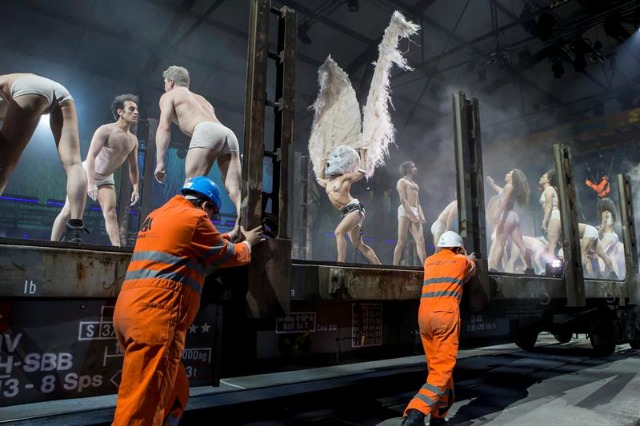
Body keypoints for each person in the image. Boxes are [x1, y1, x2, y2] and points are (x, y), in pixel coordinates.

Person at [111, 176, 265, 425]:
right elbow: (225, 255)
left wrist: (226, 235)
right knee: (140, 407)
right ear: (205, 206)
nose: (211, 221)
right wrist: (248, 243)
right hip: (155, 318)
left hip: (129, 313)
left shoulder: (159, 215)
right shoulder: (195, 219)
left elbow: (189, 244)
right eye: (212, 215)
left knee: (175, 390)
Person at [401, 231, 477, 426]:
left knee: (435, 368)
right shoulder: (461, 260)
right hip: (445, 315)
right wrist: (468, 257)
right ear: (458, 248)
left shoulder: (429, 261)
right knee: (443, 368)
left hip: (425, 315)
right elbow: (471, 272)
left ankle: (438, 416)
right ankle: (416, 412)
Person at [0, 72, 87, 242]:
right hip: (61, 92)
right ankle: (75, 228)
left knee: (5, 163)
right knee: (74, 163)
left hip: (28, 90)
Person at [155, 65, 242, 227]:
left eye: (165, 82)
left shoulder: (170, 95)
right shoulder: (203, 100)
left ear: (171, 82)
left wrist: (160, 162)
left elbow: (164, 127)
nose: (165, 86)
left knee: (192, 186)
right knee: (235, 191)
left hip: (206, 130)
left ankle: (188, 230)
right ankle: (244, 226)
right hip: (227, 133)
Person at [51, 94, 140, 246]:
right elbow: (91, 156)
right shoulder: (105, 130)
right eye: (131, 109)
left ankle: (117, 250)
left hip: (106, 178)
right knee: (68, 211)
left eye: (137, 109)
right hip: (86, 172)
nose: (136, 112)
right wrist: (91, 182)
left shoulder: (133, 140)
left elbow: (133, 166)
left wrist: (136, 188)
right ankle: (51, 245)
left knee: (110, 212)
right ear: (120, 112)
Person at [316, 148, 381, 264]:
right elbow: (319, 179)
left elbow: (361, 172)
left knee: (338, 232)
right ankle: (379, 265)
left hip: (355, 209)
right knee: (359, 245)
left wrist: (363, 153)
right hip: (346, 213)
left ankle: (340, 263)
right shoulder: (328, 182)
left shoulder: (344, 177)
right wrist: (322, 163)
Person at [486, 170, 534, 274]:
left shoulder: (509, 187)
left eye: (509, 173)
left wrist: (498, 214)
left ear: (512, 177)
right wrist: (492, 184)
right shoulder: (510, 188)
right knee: (521, 244)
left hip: (506, 216)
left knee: (500, 243)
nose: (506, 174)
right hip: (513, 217)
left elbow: (504, 200)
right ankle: (530, 268)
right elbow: (501, 192)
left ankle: (494, 269)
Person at [393, 161, 426, 265]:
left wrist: (421, 216)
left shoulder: (415, 185)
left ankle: (426, 266)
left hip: (415, 210)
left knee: (421, 241)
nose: (415, 168)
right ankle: (394, 265)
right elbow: (403, 200)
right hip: (405, 210)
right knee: (401, 240)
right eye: (413, 166)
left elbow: (418, 202)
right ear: (408, 170)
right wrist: (411, 215)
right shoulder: (401, 182)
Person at [538, 169, 562, 264]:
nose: (541, 178)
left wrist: (544, 222)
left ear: (548, 180)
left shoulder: (549, 189)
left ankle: (552, 271)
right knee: (559, 243)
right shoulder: (551, 189)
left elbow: (549, 206)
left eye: (543, 177)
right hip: (555, 216)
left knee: (551, 246)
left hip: (553, 216)